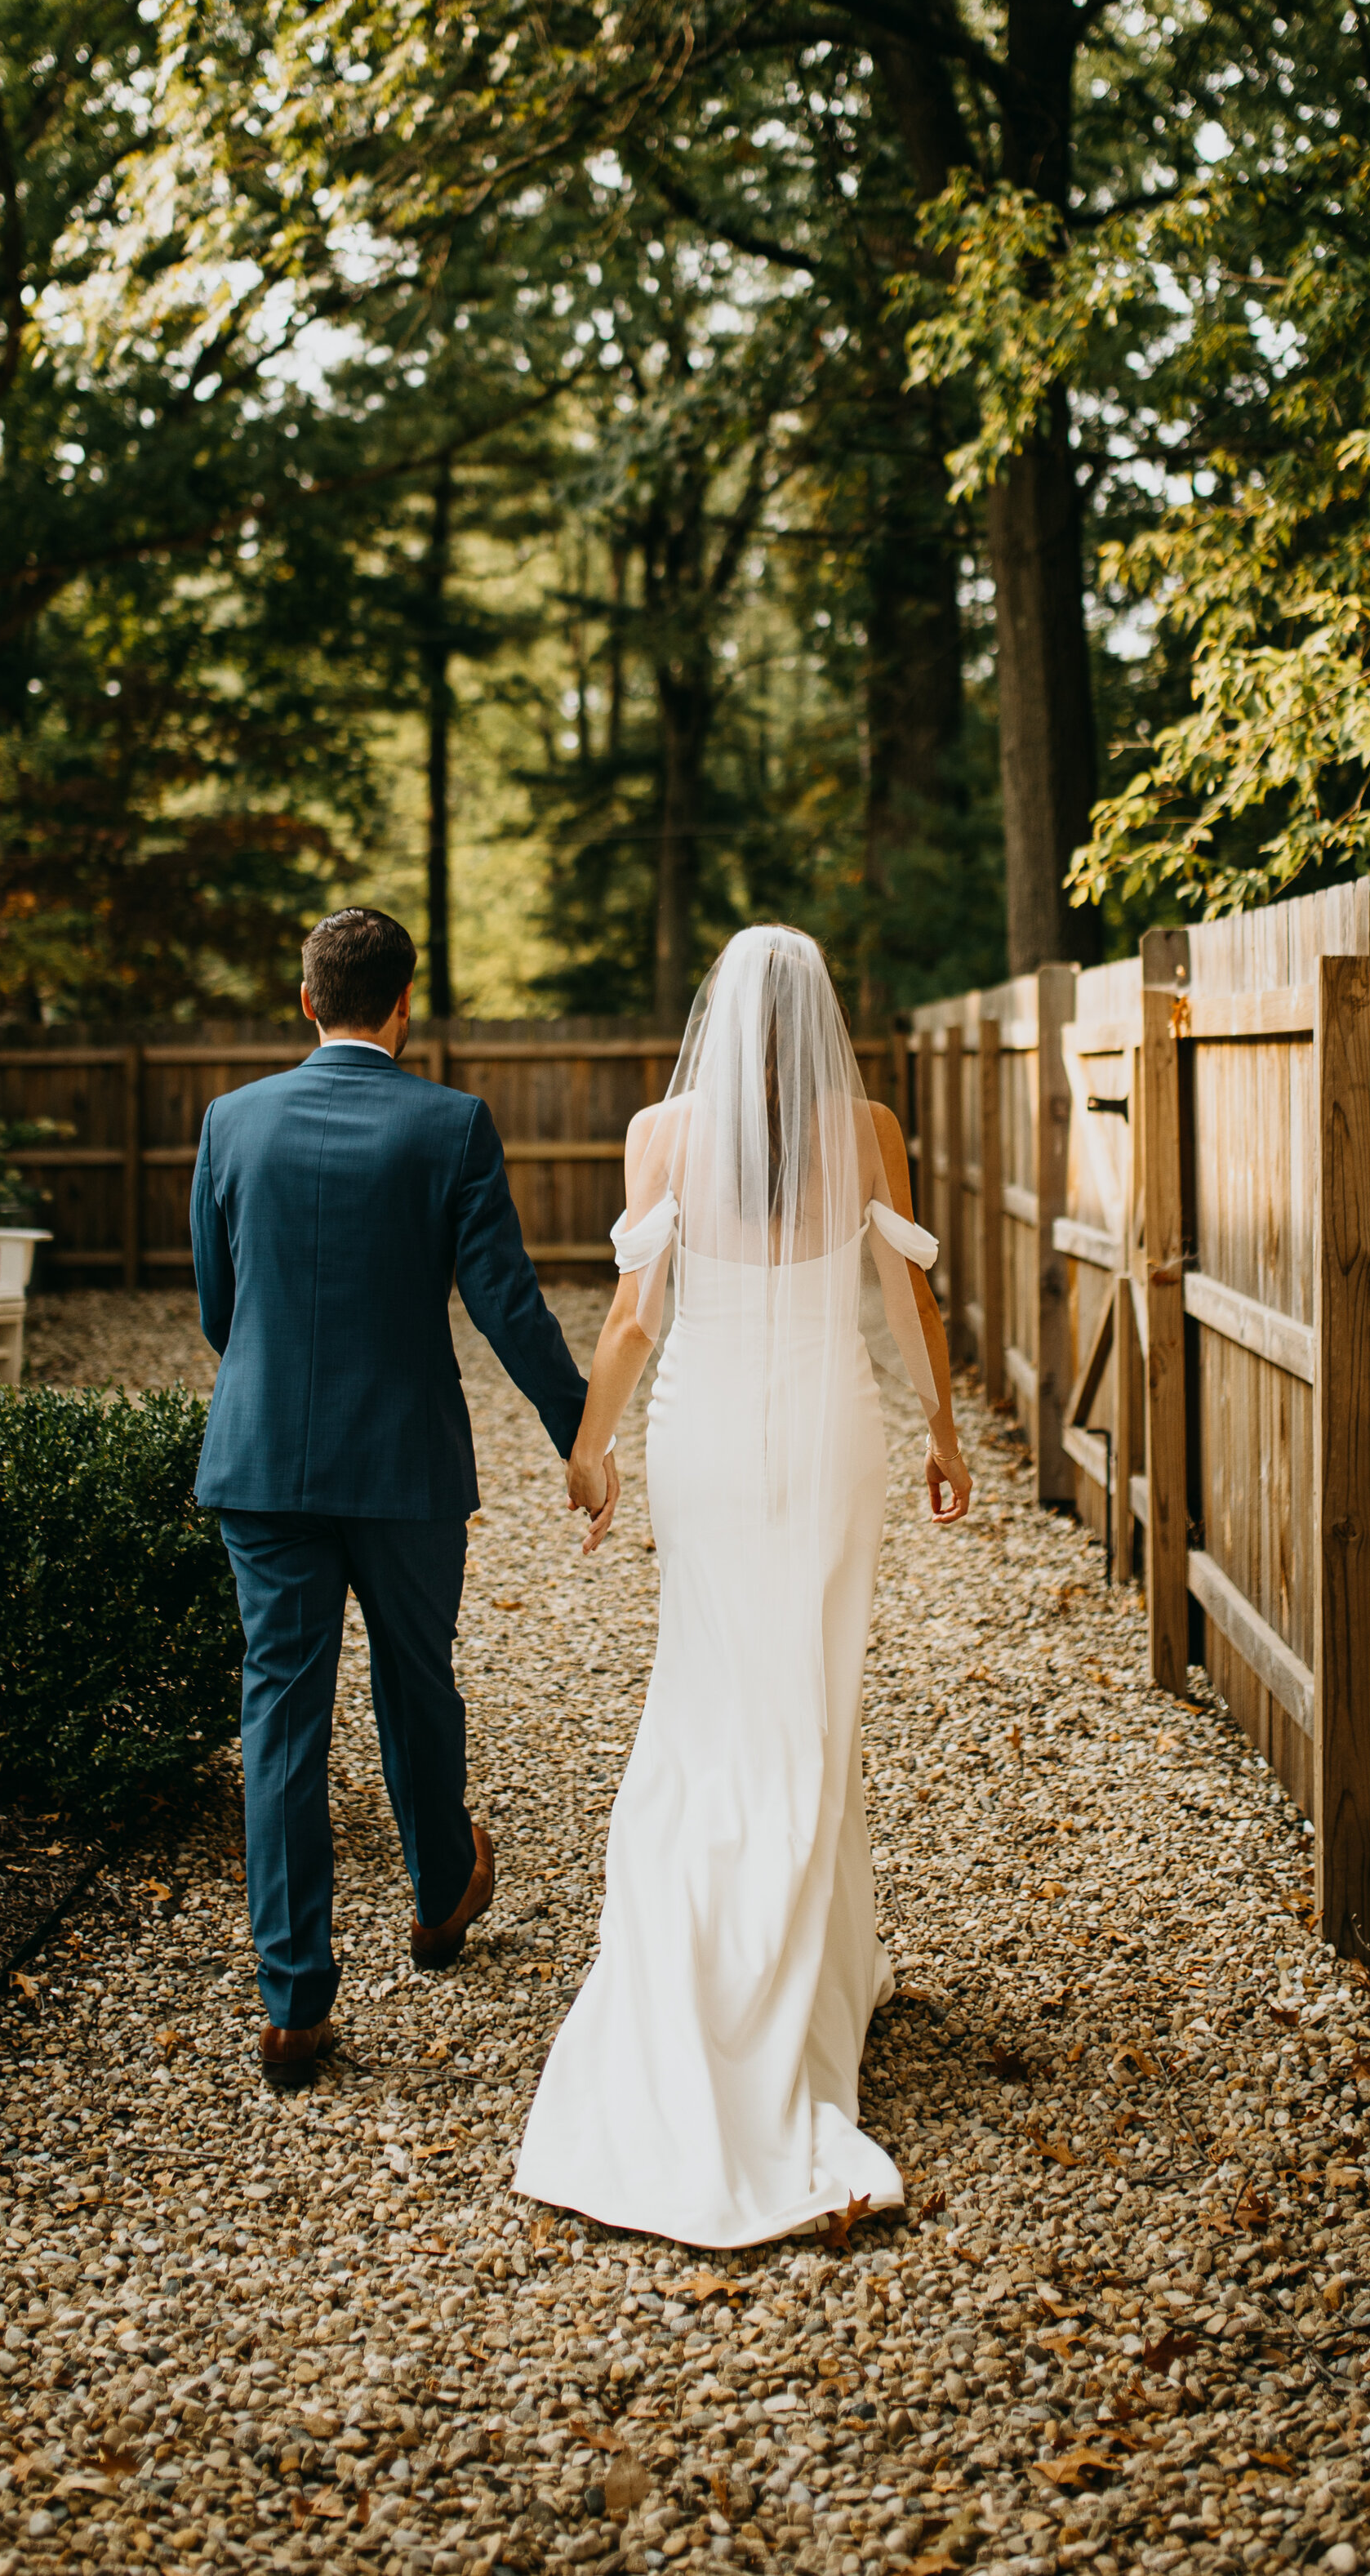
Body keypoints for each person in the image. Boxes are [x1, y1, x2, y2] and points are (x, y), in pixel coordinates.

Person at [514, 924, 972, 2247]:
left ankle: (721, 1960)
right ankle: (803, 1972)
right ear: (819, 1015)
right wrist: (941, 1431)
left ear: (720, 1013)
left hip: (703, 1444)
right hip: (830, 1437)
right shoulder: (869, 1125)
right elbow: (906, 1304)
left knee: (710, 1686)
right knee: (810, 1700)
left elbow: (635, 1321)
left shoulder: (661, 1133)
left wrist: (590, 1451)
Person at [191, 906, 616, 2089]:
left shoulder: (231, 1121)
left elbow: (221, 1307)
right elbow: (508, 1304)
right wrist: (580, 1434)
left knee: (282, 1708)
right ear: (405, 1004)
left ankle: (292, 2002)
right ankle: (438, 1897)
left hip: (265, 1460)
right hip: (405, 1465)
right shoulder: (451, 1125)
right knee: (415, 1679)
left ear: (306, 996)